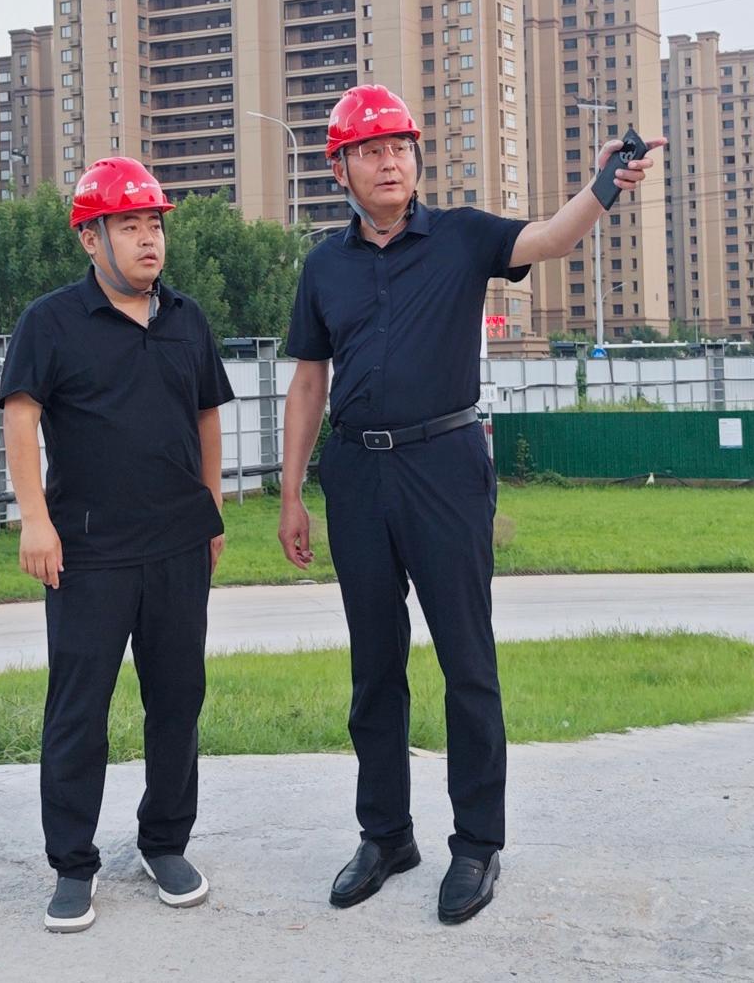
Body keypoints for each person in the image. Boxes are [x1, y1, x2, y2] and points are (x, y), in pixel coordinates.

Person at [277, 84, 659, 925]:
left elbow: (550, 237)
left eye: (400, 147)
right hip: (356, 472)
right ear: (339, 168)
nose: (389, 162)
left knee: (466, 660)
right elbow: (308, 382)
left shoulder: (460, 235)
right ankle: (385, 835)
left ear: (416, 159)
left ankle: (478, 842)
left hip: (444, 465)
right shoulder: (325, 266)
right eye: (370, 150)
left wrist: (603, 184)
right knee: (374, 666)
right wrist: (292, 492)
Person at [0, 156, 236, 934]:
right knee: (78, 710)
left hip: (177, 545)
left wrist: (211, 508)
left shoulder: (187, 319)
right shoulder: (51, 321)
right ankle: (73, 863)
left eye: (154, 224)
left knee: (177, 700)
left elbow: (206, 415)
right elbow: (21, 416)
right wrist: (35, 519)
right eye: (129, 226)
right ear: (90, 238)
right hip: (87, 551)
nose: (148, 239)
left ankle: (165, 842)